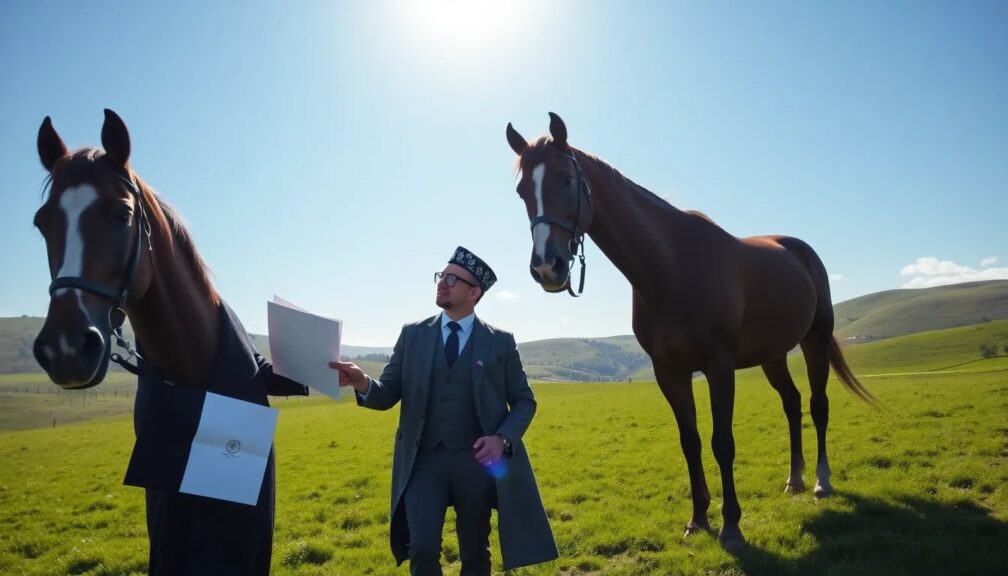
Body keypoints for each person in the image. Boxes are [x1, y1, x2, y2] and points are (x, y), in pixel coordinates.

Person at [331, 246, 557, 576]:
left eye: (452, 278)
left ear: (474, 292)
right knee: (421, 548)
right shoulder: (413, 335)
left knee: (475, 552)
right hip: (424, 462)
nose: (442, 283)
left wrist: (502, 439)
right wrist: (362, 382)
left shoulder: (500, 343)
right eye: (441, 276)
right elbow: (387, 393)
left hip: (476, 464)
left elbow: (525, 400)